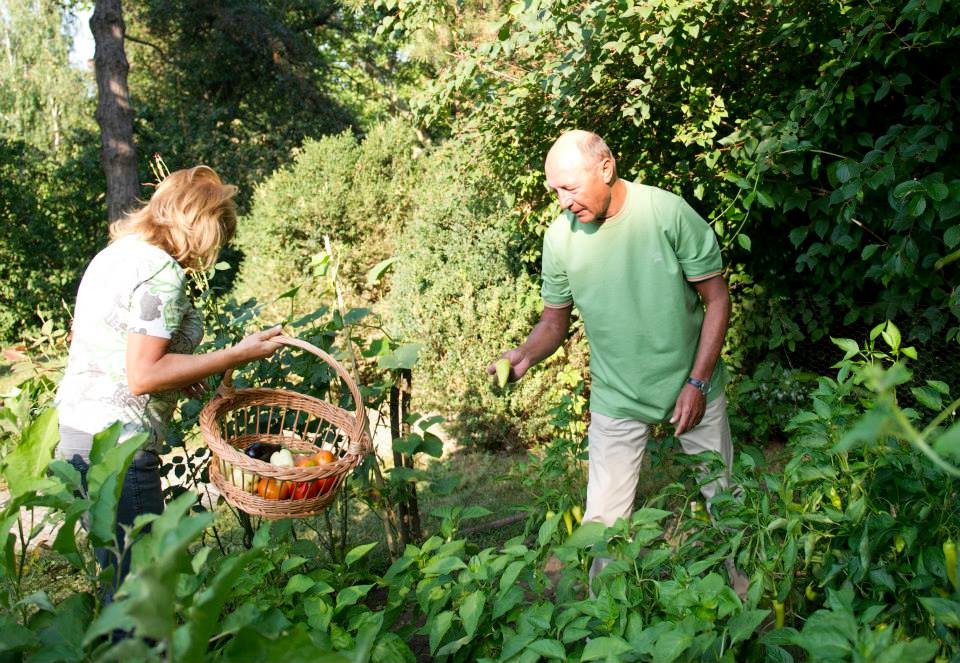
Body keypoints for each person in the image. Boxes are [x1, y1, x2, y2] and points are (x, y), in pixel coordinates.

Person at [490, 130, 735, 582]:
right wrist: (525, 354)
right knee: (603, 526)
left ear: (606, 168)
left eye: (570, 187)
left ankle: (746, 602)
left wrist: (698, 382)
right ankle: (605, 624)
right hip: (617, 395)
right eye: (555, 191)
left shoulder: (666, 213)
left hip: (691, 383)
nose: (563, 201)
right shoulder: (560, 238)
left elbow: (717, 300)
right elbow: (553, 323)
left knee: (727, 506)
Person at [55, 165, 283, 600]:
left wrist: (181, 374)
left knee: (119, 594)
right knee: (143, 605)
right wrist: (238, 353)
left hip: (80, 438)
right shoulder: (160, 271)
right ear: (197, 220)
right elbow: (142, 376)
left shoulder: (117, 255)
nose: (213, 250)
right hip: (120, 447)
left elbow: (112, 350)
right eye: (217, 233)